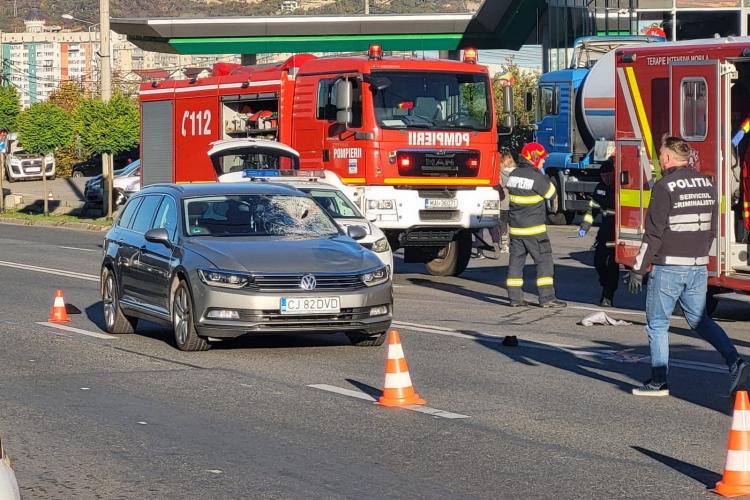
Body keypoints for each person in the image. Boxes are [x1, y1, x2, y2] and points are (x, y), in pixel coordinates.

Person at [628, 136, 749, 397]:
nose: (659, 159)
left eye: (661, 155)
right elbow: (711, 228)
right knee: (699, 319)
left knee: (657, 323)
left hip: (670, 266)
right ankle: (735, 361)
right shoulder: (706, 184)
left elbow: (653, 235)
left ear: (670, 158)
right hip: (698, 266)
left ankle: (659, 381)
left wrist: (638, 268)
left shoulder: (664, 187)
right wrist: (699, 256)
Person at [505, 141, 567, 310]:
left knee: (516, 263)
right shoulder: (536, 177)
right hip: (534, 230)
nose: (544, 162)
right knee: (544, 261)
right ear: (534, 157)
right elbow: (552, 194)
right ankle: (547, 298)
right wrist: (543, 175)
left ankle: (515, 298)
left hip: (516, 229)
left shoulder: (514, 175)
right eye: (542, 159)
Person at [578, 159, 618, 307]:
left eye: (608, 175)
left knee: (614, 266)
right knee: (598, 262)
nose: (606, 178)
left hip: (617, 230)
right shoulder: (599, 188)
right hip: (605, 229)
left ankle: (608, 295)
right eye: (603, 176)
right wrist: (584, 227)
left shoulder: (620, 187)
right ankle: (605, 283)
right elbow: (592, 210)